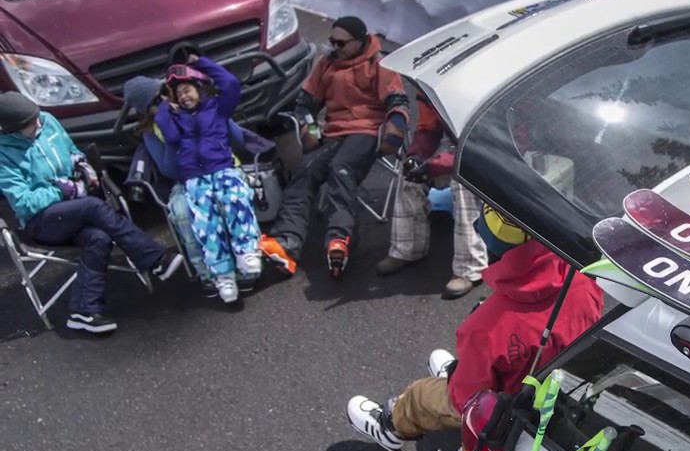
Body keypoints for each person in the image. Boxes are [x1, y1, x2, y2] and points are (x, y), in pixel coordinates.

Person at [346, 203, 604, 451]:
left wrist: (462, 378)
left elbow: (464, 399)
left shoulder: (486, 327)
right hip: (564, 392)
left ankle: (390, 426)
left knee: (420, 395)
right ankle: (456, 372)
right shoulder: (583, 276)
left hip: (508, 409)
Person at [0, 92, 184, 333]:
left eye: (36, 117)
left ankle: (83, 311)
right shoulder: (3, 154)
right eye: (29, 124)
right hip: (42, 222)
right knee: (92, 206)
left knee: (99, 237)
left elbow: (69, 148)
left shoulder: (46, 120)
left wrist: (80, 163)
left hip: (76, 207)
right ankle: (154, 259)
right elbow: (24, 203)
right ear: (11, 129)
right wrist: (61, 190)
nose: (38, 124)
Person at [259, 15, 410, 279]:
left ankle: (340, 238)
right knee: (304, 171)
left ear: (360, 40)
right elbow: (305, 104)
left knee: (341, 169)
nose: (335, 48)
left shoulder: (379, 63)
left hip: (367, 131)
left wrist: (394, 132)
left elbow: (397, 101)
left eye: (341, 43)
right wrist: (310, 129)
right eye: (332, 42)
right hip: (334, 131)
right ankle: (287, 242)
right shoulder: (327, 64)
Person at [123, 74, 273, 298]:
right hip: (186, 179)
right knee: (184, 211)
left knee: (228, 197)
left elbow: (236, 137)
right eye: (156, 103)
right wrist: (175, 137)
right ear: (146, 111)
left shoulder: (200, 110)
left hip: (222, 168)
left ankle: (245, 260)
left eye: (164, 95)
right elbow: (170, 170)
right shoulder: (153, 132)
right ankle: (210, 273)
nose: (164, 103)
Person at [153, 53, 263, 303]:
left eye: (187, 90)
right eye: (178, 94)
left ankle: (247, 251)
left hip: (222, 168)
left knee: (236, 200)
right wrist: (164, 106)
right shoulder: (176, 118)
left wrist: (201, 63)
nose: (184, 96)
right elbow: (169, 136)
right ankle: (223, 275)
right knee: (206, 225)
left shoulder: (217, 107)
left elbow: (231, 83)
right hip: (195, 178)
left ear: (199, 87)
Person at [375, 93, 489, 300]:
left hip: (497, 152)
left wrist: (436, 165)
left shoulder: (481, 83)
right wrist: (416, 157)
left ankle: (470, 269)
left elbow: (483, 142)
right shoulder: (434, 86)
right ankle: (408, 249)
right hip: (457, 150)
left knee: (464, 182)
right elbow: (428, 128)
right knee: (409, 175)